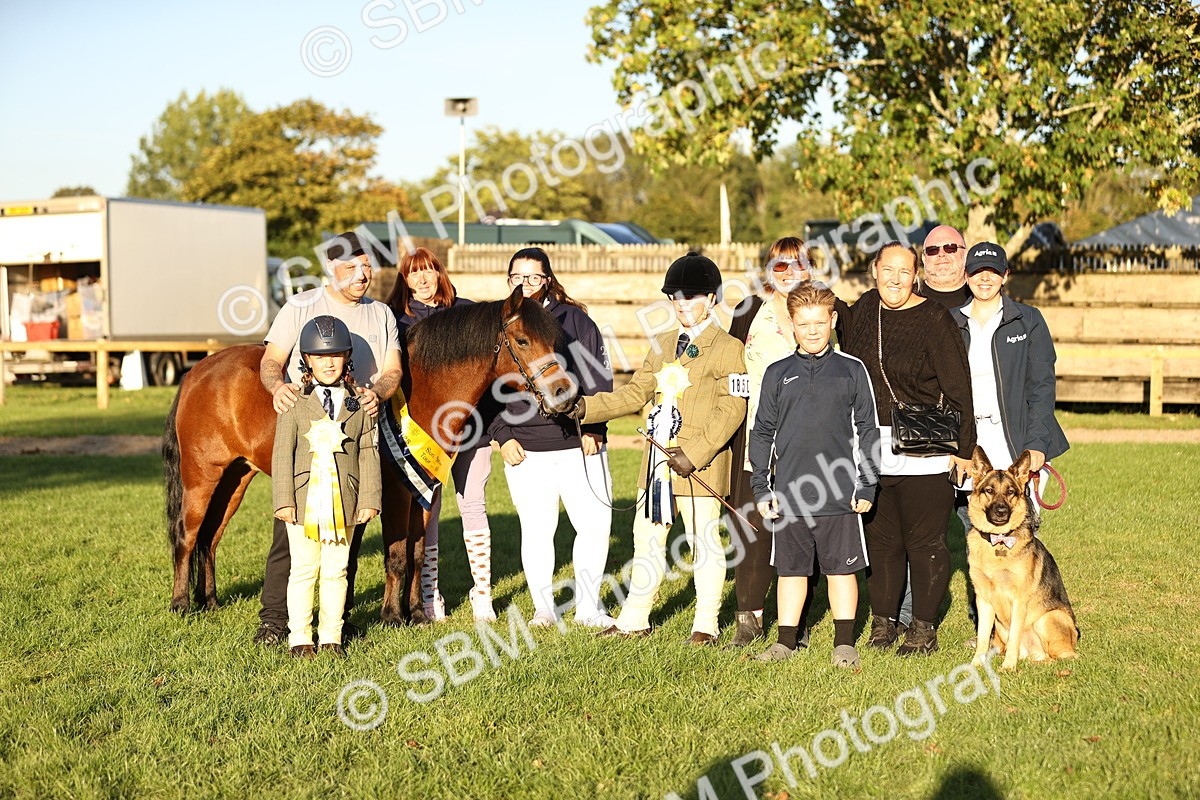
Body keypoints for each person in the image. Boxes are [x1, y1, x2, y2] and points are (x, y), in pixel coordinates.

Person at [568, 252, 746, 645]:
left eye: (691, 298)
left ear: (712, 300)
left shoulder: (729, 347)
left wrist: (695, 454)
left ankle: (706, 624)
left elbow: (731, 408)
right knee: (645, 539)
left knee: (704, 542)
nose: (681, 305)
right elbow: (635, 392)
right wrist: (585, 406)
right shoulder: (663, 343)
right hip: (657, 464)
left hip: (701, 465)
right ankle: (635, 618)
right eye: (675, 298)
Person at [254, 231, 402, 646]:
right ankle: (274, 619)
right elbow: (271, 361)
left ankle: (336, 622)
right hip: (307, 421)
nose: (363, 274)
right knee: (292, 534)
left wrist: (379, 392)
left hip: (359, 421)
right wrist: (276, 388)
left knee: (348, 526)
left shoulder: (381, 314)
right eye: (353, 267)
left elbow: (392, 370)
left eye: (368, 266)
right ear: (330, 271)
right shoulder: (301, 306)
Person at [835, 241, 976, 656]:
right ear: (874, 270)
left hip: (925, 445)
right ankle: (884, 624)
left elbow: (959, 388)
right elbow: (821, 315)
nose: (895, 279)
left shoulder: (934, 319)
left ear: (916, 276)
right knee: (882, 542)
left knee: (925, 543)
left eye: (904, 272)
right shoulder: (863, 310)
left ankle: (923, 629)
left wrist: (964, 449)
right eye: (887, 270)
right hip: (870, 445)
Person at [750, 283, 881, 667]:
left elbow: (868, 430)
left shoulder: (852, 370)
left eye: (819, 323)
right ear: (792, 324)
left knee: (842, 570)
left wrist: (867, 482)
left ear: (833, 321)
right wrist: (761, 487)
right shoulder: (777, 373)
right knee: (791, 571)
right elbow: (762, 432)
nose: (812, 331)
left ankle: (844, 644)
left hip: (839, 492)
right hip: (789, 494)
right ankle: (785, 642)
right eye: (803, 323)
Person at [491, 247, 616, 629]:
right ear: (508, 280)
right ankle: (543, 608)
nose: (525, 284)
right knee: (537, 529)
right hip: (526, 448)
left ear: (547, 280)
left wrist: (594, 427)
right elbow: (483, 386)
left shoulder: (574, 320)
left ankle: (589, 608)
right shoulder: (497, 323)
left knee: (594, 525)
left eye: (533, 277)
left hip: (579, 442)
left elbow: (598, 378)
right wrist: (501, 434)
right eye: (517, 277)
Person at [386, 246, 498, 622]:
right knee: (427, 513)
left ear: (439, 274)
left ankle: (482, 594)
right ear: (404, 280)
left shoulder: (467, 313)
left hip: (473, 430)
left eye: (428, 270)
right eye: (413, 273)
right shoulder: (396, 321)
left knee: (473, 504)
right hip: (422, 437)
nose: (421, 278)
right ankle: (430, 596)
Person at [272, 316, 380, 658]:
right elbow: (281, 453)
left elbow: (367, 450)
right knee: (303, 570)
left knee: (337, 570)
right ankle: (300, 637)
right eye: (320, 357)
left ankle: (331, 636)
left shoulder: (359, 404)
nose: (329, 362)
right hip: (302, 502)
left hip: (345, 501)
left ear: (347, 357)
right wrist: (282, 500)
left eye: (336, 355)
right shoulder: (294, 402)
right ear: (307, 360)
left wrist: (369, 498)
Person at [726, 237, 811, 648]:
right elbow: (729, 369)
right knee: (752, 526)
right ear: (767, 270)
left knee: (798, 529)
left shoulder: (821, 310)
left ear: (808, 268)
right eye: (779, 265)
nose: (787, 272)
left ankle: (799, 619)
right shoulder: (747, 313)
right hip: (755, 439)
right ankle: (750, 616)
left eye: (796, 264)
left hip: (806, 440)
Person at [951, 243, 1070, 508]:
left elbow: (1042, 386)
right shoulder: (950, 323)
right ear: (966, 276)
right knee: (974, 523)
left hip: (1018, 437)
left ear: (1005, 275)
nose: (985, 278)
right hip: (970, 440)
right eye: (977, 271)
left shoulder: (1028, 320)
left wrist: (1036, 444)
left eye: (992, 271)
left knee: (1021, 528)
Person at [919, 225, 971, 308]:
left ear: (965, 254)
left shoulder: (981, 298)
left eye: (950, 248)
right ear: (924, 258)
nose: (941, 254)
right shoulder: (907, 299)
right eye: (932, 250)